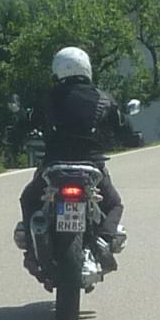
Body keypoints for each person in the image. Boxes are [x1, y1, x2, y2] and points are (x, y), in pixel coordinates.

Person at [20, 44, 134, 251]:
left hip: (54, 165)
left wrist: (13, 137)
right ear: (86, 67)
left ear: (57, 70)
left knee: (29, 199)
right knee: (114, 204)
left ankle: (30, 245)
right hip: (91, 166)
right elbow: (123, 128)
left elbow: (26, 123)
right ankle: (106, 238)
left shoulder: (48, 98)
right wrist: (134, 139)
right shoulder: (104, 99)